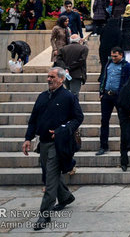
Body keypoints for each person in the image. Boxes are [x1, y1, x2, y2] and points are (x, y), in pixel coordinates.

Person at [22, 67, 83, 230]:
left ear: (62, 79)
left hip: (59, 144)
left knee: (49, 178)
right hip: (43, 143)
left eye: (52, 77)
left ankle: (44, 215)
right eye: (48, 77)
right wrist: (28, 138)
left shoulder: (68, 97)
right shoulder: (42, 97)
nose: (49, 79)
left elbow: (78, 118)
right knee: (50, 174)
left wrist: (62, 130)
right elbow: (33, 119)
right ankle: (65, 197)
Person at [96, 47, 130, 156]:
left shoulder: (127, 66)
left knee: (123, 121)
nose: (113, 58)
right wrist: (101, 92)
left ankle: (125, 145)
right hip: (107, 96)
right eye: (112, 56)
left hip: (119, 97)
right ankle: (103, 146)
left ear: (121, 55)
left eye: (115, 56)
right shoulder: (108, 64)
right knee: (104, 121)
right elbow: (104, 77)